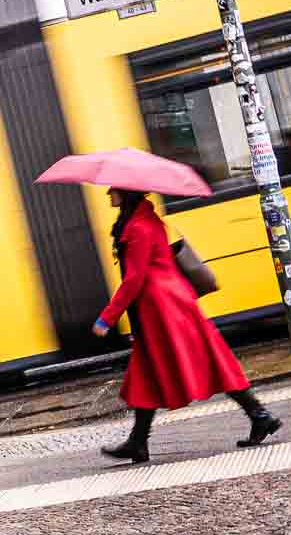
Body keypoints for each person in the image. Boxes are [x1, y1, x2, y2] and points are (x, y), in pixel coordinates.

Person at [94, 186, 281, 464]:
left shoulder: (138, 228)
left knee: (202, 362)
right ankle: (138, 442)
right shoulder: (146, 220)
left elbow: (134, 279)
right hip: (170, 302)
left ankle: (260, 415)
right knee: (153, 371)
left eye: (113, 190)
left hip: (163, 309)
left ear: (126, 193)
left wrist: (107, 318)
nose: (109, 194)